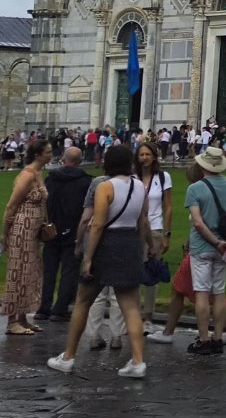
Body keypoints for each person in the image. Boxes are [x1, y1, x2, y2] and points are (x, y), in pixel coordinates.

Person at [47, 145, 149, 378]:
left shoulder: (105, 186)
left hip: (106, 243)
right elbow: (143, 221)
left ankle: (68, 356)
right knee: (130, 305)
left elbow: (98, 224)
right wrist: (141, 249)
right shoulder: (139, 186)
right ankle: (138, 361)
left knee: (83, 301)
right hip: (129, 242)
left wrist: (88, 257)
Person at [185, 145, 226, 356]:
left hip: (202, 246)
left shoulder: (195, 188)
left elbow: (198, 223)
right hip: (224, 248)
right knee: (219, 292)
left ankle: (204, 339)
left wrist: (215, 242)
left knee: (201, 292)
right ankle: (218, 338)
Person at [3, 140, 52, 334]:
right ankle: (12, 321)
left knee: (29, 273)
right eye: (48, 152)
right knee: (18, 272)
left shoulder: (39, 173)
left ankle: (22, 318)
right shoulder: (27, 175)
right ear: (38, 154)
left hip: (33, 231)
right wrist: (4, 234)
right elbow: (11, 206)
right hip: (22, 229)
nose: (51, 155)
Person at [39, 147, 89, 323]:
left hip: (51, 229)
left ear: (63, 159)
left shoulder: (51, 179)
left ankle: (44, 307)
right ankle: (60, 308)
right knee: (69, 271)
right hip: (73, 230)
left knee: (49, 271)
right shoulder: (85, 182)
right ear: (79, 161)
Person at [134, 142, 173, 331]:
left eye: (148, 154)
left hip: (155, 229)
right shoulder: (133, 177)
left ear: (154, 156)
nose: (144, 158)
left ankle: (148, 317)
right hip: (134, 229)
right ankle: (133, 315)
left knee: (150, 273)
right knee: (133, 273)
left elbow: (169, 207)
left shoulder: (163, 177)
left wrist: (167, 234)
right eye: (141, 154)